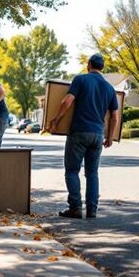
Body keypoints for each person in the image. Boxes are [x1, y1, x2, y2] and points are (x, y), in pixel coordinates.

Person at [44, 53, 119, 219]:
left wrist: (55, 120)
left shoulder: (80, 80)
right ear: (102, 68)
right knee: (92, 173)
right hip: (98, 134)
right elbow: (114, 116)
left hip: (79, 132)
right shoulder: (109, 88)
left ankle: (75, 208)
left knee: (72, 170)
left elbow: (66, 102)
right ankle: (92, 210)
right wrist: (110, 136)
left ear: (89, 65)